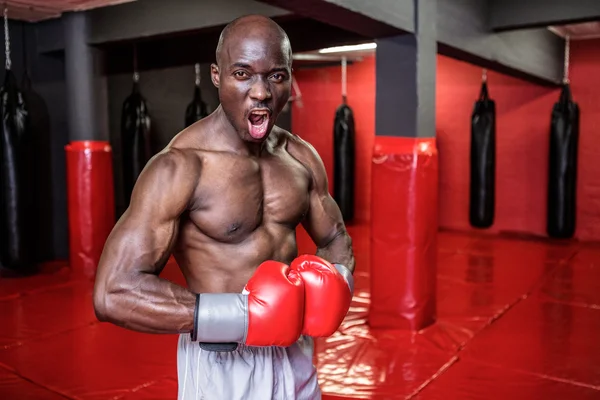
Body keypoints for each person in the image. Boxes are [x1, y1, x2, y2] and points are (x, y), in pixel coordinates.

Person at [93, 14, 355, 400]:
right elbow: (112, 292)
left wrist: (335, 284)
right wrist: (244, 316)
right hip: (224, 365)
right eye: (243, 74)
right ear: (217, 75)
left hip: (294, 355)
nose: (262, 92)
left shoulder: (300, 156)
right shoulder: (181, 167)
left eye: (276, 76)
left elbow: (334, 236)